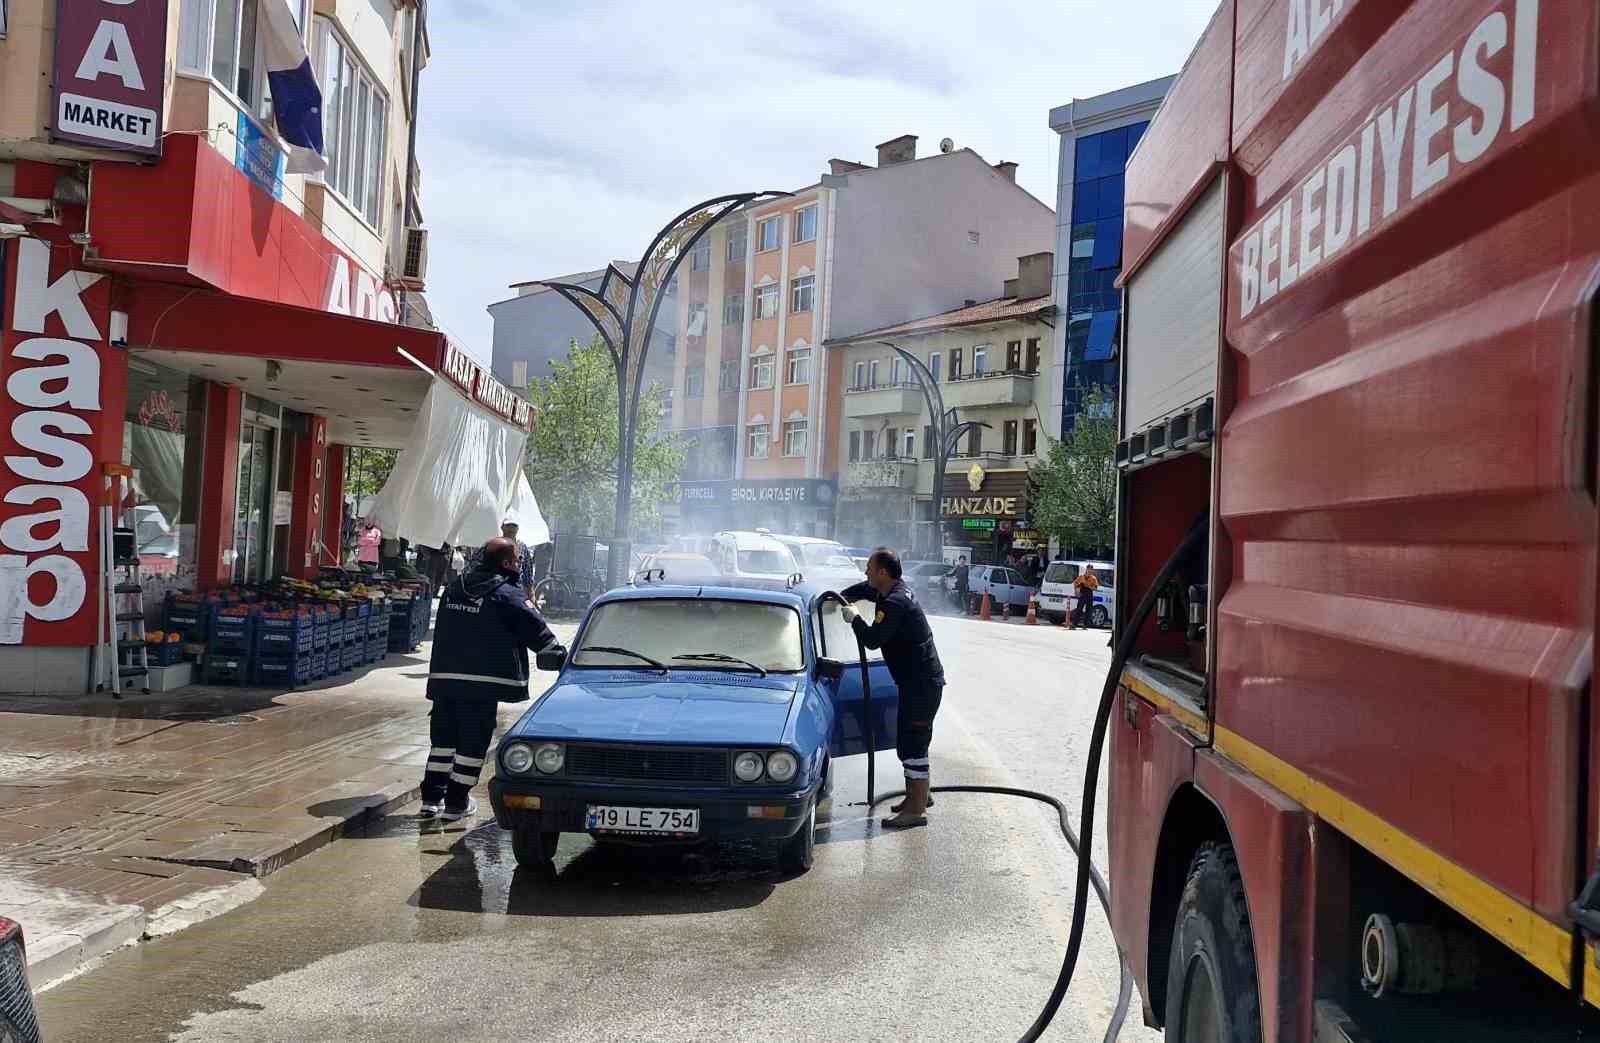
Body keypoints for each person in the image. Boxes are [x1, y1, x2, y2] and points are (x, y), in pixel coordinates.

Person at [420, 537, 564, 821]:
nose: (520, 566)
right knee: (473, 744)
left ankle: (431, 800)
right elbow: (537, 631)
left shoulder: (454, 588)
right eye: (519, 561)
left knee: (443, 741)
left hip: (445, 680)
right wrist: (558, 655)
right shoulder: (509, 594)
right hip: (482, 685)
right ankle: (457, 802)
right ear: (508, 563)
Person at [839, 548, 946, 829]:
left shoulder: (895, 602)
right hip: (917, 682)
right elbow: (865, 589)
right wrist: (841, 595)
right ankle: (919, 796)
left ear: (883, 573)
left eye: (869, 569)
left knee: (913, 744)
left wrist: (854, 619)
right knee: (910, 742)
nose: (866, 574)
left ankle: (916, 810)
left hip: (921, 685)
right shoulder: (892, 589)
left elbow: (873, 640)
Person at [471, 520, 535, 596]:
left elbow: (528, 573)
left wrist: (531, 594)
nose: (511, 528)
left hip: (514, 590)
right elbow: (474, 565)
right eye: (508, 525)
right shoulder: (493, 545)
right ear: (502, 527)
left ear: (518, 529)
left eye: (514, 526)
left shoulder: (522, 547)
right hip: (493, 589)